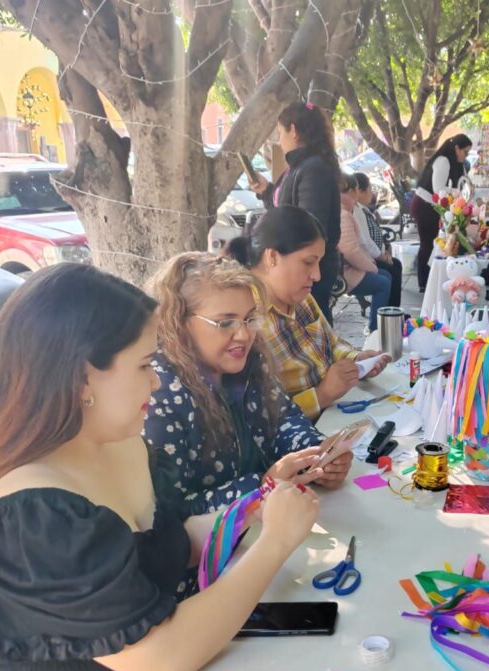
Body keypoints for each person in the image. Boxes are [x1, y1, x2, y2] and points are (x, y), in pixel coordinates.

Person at [0, 263, 320, 671]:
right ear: (81, 377)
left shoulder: (113, 443)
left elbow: (168, 542)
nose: (156, 383)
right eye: (144, 366)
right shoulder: (29, 516)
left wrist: (251, 514)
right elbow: (166, 658)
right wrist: (274, 544)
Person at [144, 252, 352, 519]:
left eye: (250, 319)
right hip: (230, 543)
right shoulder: (160, 395)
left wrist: (316, 456)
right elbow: (168, 514)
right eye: (225, 323)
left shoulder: (250, 362)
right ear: (178, 322)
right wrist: (260, 488)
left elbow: (284, 419)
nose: (244, 335)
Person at [224, 207, 390, 420]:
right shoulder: (247, 322)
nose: (317, 275)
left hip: (334, 412)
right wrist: (321, 395)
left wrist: (356, 360)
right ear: (272, 257)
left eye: (318, 262)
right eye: (308, 262)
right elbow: (258, 418)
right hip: (301, 430)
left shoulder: (300, 297)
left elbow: (331, 343)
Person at [251, 102, 342, 324]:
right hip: (297, 264)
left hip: (307, 266)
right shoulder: (298, 167)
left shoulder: (313, 169)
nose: (279, 140)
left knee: (313, 324)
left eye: (280, 132)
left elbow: (308, 226)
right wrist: (267, 192)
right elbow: (288, 215)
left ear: (293, 130)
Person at [412, 134, 473, 291]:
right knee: (428, 243)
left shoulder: (456, 163)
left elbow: (463, 182)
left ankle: (432, 279)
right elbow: (438, 189)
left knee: (437, 243)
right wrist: (458, 192)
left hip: (435, 206)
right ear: (456, 148)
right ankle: (424, 282)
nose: (466, 156)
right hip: (425, 205)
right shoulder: (443, 161)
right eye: (465, 152)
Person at [339, 174, 392, 333]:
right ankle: (375, 329)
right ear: (350, 192)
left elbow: (358, 246)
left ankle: (385, 322)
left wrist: (370, 262)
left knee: (386, 275)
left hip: (348, 267)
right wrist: (371, 266)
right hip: (342, 273)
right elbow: (350, 250)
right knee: (383, 283)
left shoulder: (347, 211)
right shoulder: (343, 214)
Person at [353, 172, 403, 307]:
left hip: (375, 255)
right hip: (369, 258)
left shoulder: (363, 210)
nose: (372, 193)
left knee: (396, 265)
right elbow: (366, 242)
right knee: (391, 271)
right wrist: (382, 257)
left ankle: (393, 311)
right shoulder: (357, 212)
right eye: (370, 188)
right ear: (360, 191)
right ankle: (388, 312)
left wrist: (386, 252)